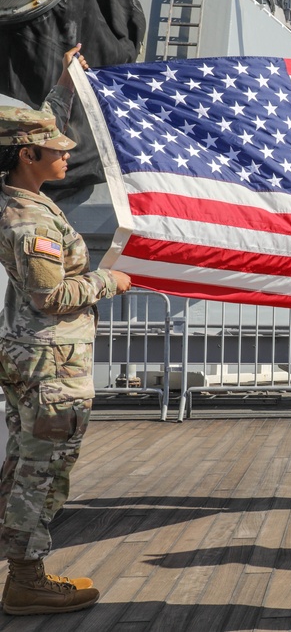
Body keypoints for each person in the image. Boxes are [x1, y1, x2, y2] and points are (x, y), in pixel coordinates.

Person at [0, 45, 131, 615]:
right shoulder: (31, 222)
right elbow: (51, 295)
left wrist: (61, 87)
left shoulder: (20, 197)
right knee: (42, 471)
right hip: (53, 364)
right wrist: (110, 281)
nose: (65, 157)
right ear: (26, 155)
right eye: (56, 151)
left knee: (21, 462)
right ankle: (27, 581)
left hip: (33, 357)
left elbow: (36, 130)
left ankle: (20, 568)